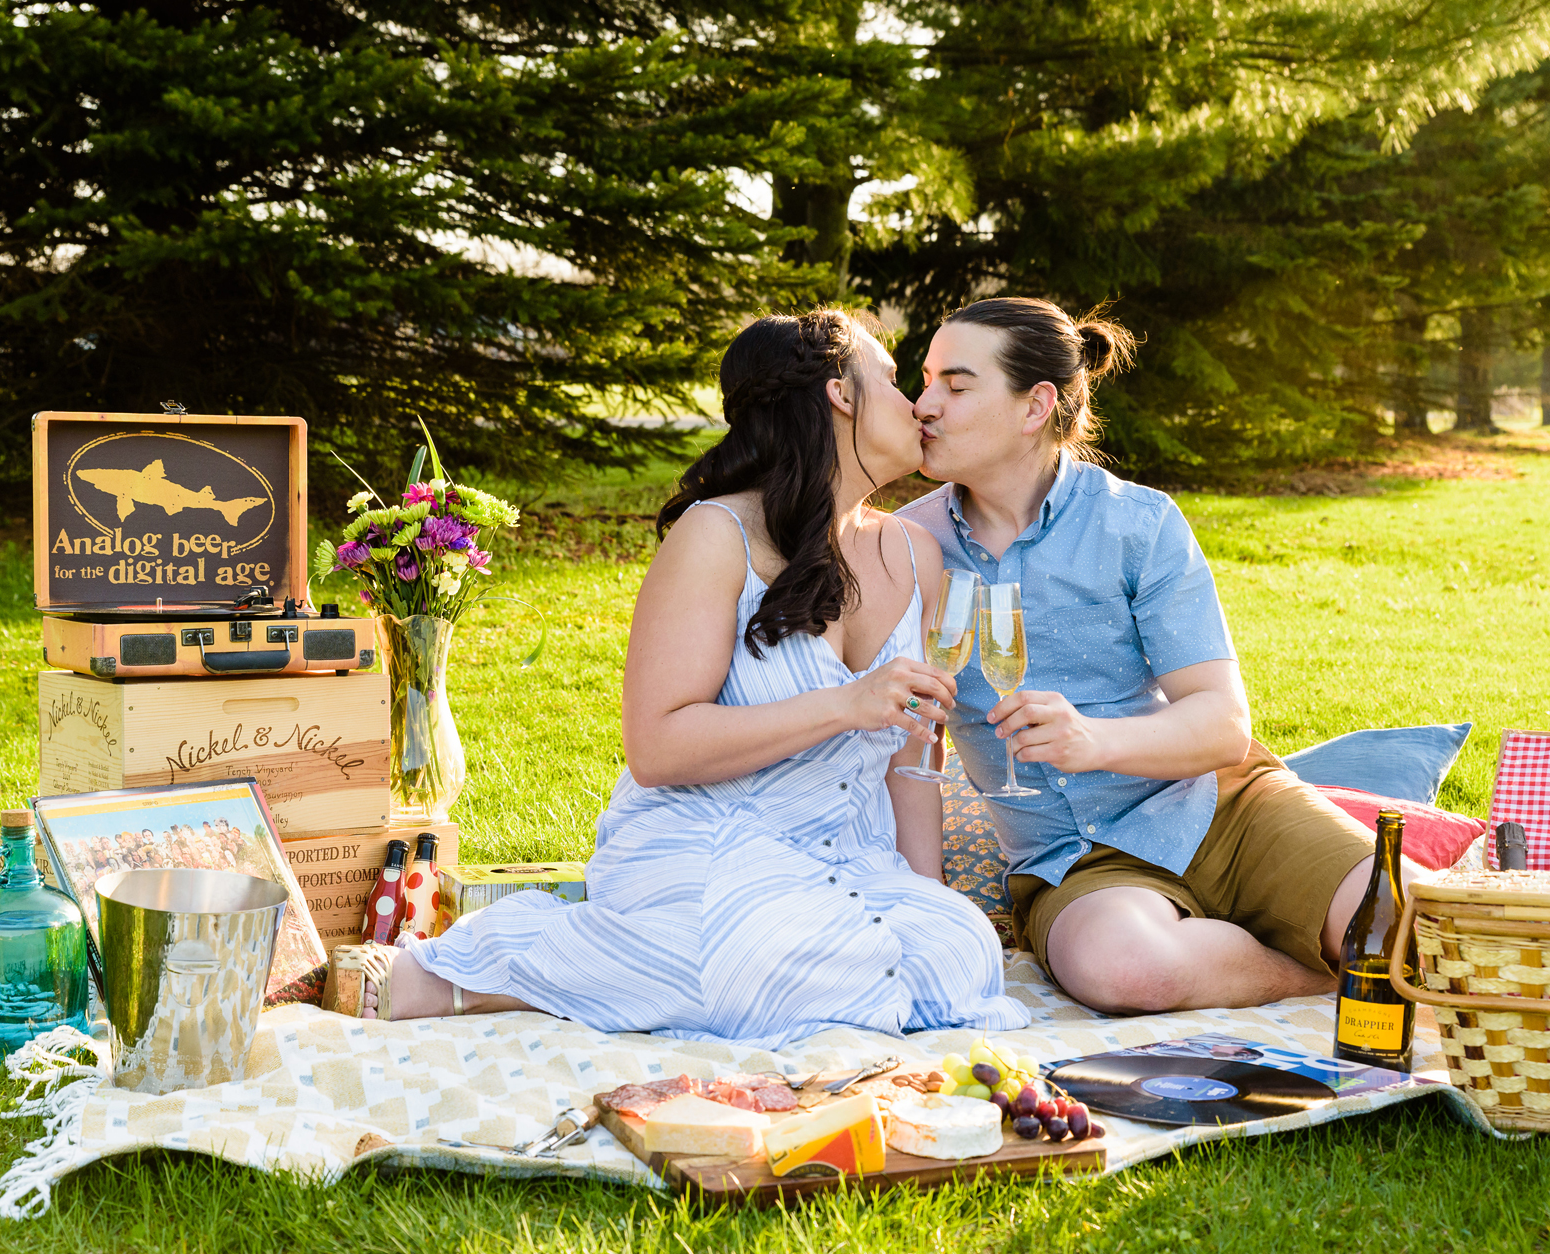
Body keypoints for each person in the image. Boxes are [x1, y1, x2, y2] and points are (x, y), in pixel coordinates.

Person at [340, 308, 1027, 1048]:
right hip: (707, 838)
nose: (919, 404)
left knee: (964, 952)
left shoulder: (914, 554)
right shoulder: (718, 534)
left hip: (845, 855)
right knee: (762, 960)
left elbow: (910, 761)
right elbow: (658, 745)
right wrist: (842, 705)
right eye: (894, 381)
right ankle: (472, 971)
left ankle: (636, 967)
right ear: (839, 394)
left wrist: (922, 896)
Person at [899, 296, 1430, 1015]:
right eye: (925, 379)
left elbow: (1221, 724)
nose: (923, 404)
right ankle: (1322, 975)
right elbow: (912, 743)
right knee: (1126, 971)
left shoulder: (1137, 522)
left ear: (1035, 407)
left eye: (954, 385)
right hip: (1073, 864)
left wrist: (1095, 740)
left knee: (1416, 932)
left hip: (1221, 806)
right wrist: (929, 914)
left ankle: (1301, 940)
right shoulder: (907, 547)